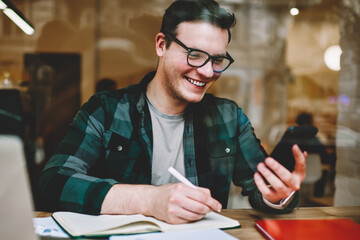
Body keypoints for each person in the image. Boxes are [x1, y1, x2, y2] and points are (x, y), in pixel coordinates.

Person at [39, 0, 306, 224]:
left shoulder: (229, 118)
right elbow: (53, 184)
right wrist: (150, 200)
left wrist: (278, 195)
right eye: (195, 54)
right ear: (161, 45)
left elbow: (261, 190)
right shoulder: (106, 111)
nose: (206, 71)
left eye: (217, 60)